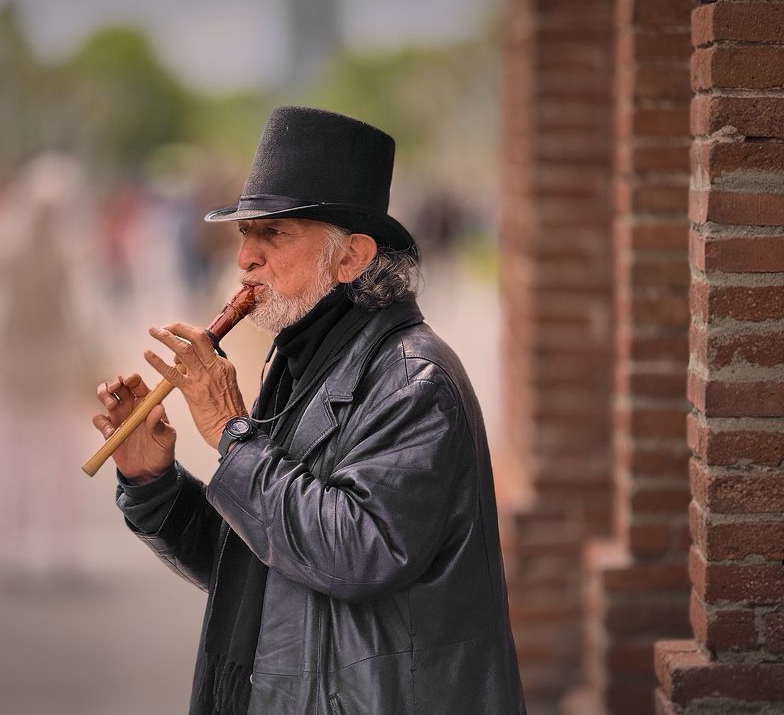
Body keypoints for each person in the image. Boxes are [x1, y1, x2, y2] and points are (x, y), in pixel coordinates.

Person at [92, 106, 526, 714]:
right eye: (245, 233)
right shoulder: (307, 359)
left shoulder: (412, 380)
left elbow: (357, 554)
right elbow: (261, 561)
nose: (246, 257)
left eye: (274, 234)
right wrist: (154, 482)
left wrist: (230, 433)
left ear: (350, 258)